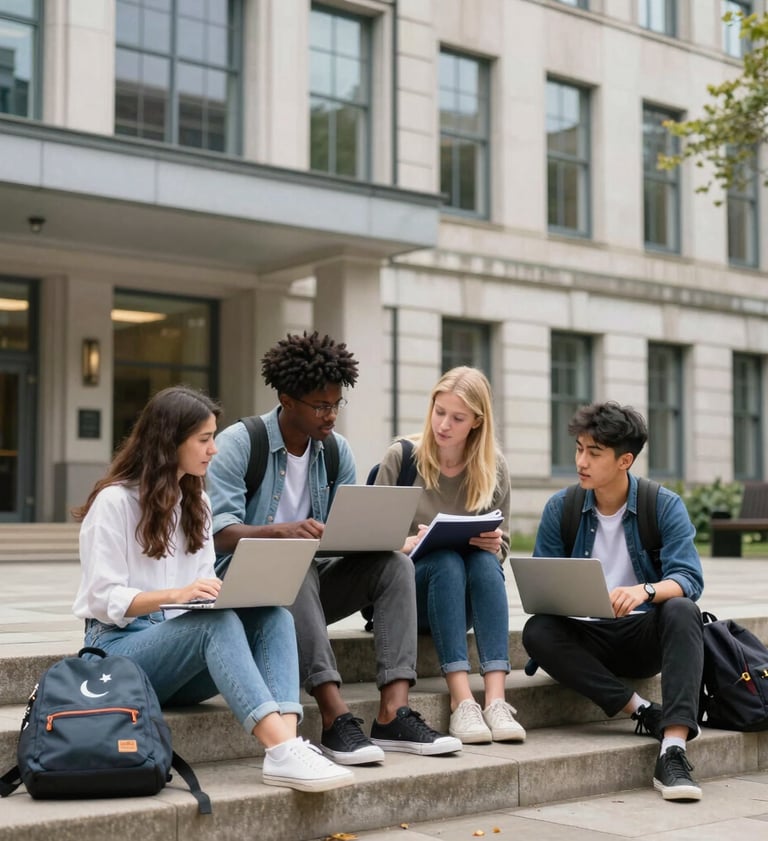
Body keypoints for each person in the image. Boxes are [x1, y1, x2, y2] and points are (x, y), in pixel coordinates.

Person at [72, 385, 353, 793]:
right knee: (214, 624)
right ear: (170, 442)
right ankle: (282, 747)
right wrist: (178, 595)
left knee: (272, 613)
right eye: (204, 440)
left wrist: (227, 594)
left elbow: (203, 590)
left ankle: (288, 746)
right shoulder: (114, 503)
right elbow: (100, 598)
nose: (214, 450)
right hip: (118, 652)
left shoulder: (197, 505)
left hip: (178, 653)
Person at [208, 332, 461, 765]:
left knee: (393, 565)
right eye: (321, 406)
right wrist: (283, 533)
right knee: (297, 562)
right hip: (242, 588)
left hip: (303, 590)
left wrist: (378, 539)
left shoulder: (334, 451)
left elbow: (342, 534)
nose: (331, 415)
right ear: (287, 400)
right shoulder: (239, 443)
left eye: (336, 404)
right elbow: (217, 534)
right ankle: (333, 716)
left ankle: (393, 712)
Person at [522, 401, 704, 802]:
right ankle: (642, 711)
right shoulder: (562, 508)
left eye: (594, 453)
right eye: (579, 449)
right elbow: (542, 589)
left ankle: (673, 749)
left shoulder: (663, 505)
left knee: (681, 609)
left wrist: (646, 590)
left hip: (641, 639)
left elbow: (689, 579)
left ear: (624, 460)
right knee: (538, 631)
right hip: (587, 640)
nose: (581, 461)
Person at [374, 366, 525, 745]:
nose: (443, 424)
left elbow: (502, 545)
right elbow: (369, 541)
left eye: (457, 418)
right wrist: (407, 542)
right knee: (444, 560)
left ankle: (495, 700)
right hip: (408, 601)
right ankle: (462, 702)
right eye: (439, 412)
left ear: (477, 421)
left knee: (480, 561)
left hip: (463, 601)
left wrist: (494, 545)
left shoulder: (494, 469)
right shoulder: (402, 457)